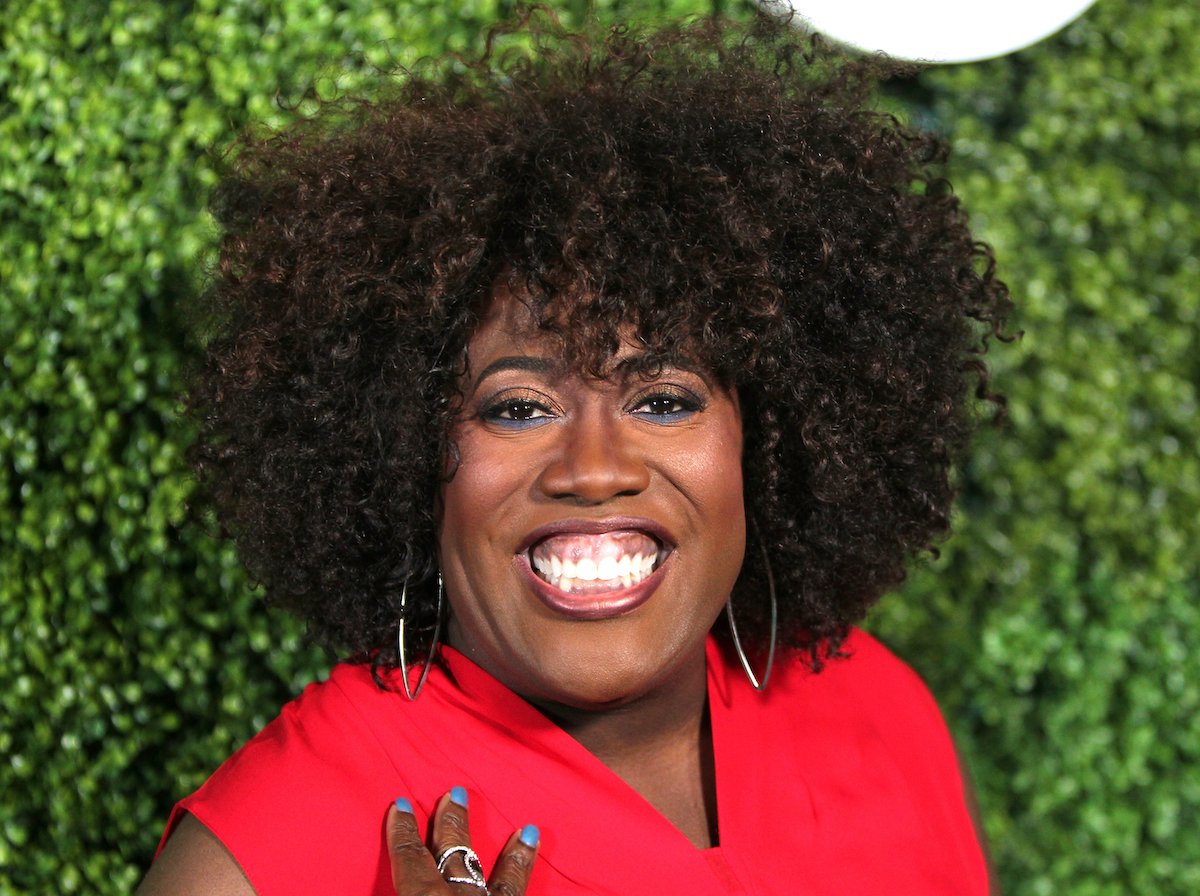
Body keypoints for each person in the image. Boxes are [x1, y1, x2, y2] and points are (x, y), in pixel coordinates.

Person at [139, 11, 1011, 896]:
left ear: (768, 438)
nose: (595, 470)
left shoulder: (882, 711)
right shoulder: (259, 856)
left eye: (663, 399)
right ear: (403, 455)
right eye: (518, 409)